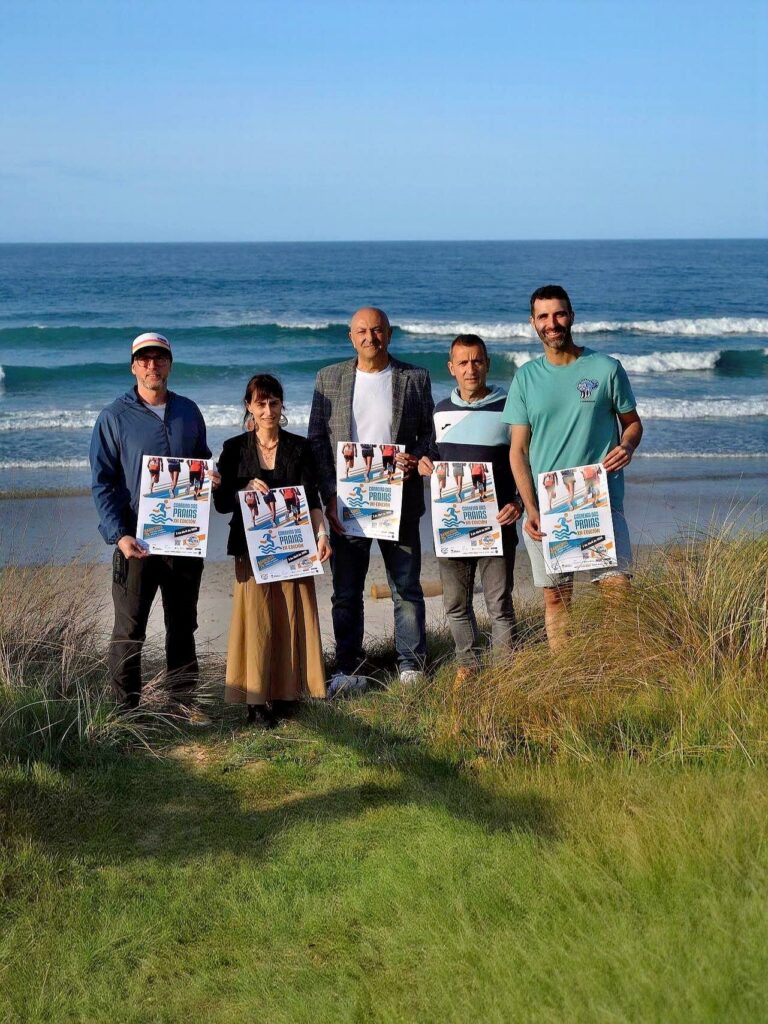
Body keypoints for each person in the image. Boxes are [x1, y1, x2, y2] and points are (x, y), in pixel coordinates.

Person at [505, 285, 643, 651]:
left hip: (601, 498)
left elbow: (632, 423)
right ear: (533, 322)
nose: (553, 323)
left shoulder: (605, 368)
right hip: (548, 507)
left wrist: (627, 445)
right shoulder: (525, 378)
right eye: (544, 316)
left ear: (572, 315)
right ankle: (567, 672)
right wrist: (530, 508)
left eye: (559, 314)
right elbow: (518, 451)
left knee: (617, 592)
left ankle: (619, 669)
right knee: (556, 597)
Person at [308, 306, 436, 690]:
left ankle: (411, 665)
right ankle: (347, 666)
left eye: (377, 330)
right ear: (351, 336)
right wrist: (329, 494)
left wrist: (416, 458)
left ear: (390, 334)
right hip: (347, 505)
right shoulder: (328, 378)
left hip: (400, 501)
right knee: (346, 592)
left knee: (406, 588)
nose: (370, 337)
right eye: (362, 331)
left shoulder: (415, 378)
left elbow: (430, 434)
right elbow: (316, 442)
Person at [90, 332, 218, 717]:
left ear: (169, 364)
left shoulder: (189, 411)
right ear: (133, 366)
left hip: (183, 543)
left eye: (159, 358)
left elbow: (201, 460)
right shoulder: (114, 417)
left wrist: (209, 477)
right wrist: (119, 534)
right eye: (144, 359)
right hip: (136, 545)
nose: (152, 365)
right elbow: (103, 481)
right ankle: (124, 712)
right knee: (129, 633)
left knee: (183, 626)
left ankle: (182, 703)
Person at [214, 374, 331, 725]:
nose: (268, 410)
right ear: (249, 406)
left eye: (274, 403)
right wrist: (242, 486)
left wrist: (322, 534)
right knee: (257, 622)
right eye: (260, 403)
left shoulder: (300, 447)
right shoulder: (234, 448)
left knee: (291, 616)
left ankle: (287, 692)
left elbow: (312, 498)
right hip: (250, 550)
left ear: (282, 406)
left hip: (294, 547)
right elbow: (221, 504)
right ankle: (255, 700)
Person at [419, 334, 522, 680]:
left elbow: (526, 460)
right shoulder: (441, 410)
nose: (470, 368)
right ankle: (469, 666)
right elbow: (435, 454)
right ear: (451, 368)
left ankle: (506, 674)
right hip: (453, 526)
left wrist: (519, 502)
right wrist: (426, 463)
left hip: (498, 524)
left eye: (477, 361)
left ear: (488, 364)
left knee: (499, 605)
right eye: (462, 362)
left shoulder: (509, 407)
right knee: (455, 604)